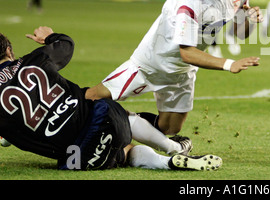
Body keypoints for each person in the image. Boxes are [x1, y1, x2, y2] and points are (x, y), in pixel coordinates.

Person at [86, 0, 262, 147]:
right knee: (92, 98)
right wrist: (228, 64)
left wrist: (248, 19)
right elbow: (186, 51)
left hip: (183, 70)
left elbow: (241, 35)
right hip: (152, 63)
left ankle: (121, 118)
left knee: (170, 128)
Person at [0, 27, 222, 171]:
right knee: (111, 110)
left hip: (76, 158)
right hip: (103, 119)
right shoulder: (33, 60)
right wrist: (49, 37)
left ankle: (165, 163)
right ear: (9, 51)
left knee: (122, 154)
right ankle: (173, 148)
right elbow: (66, 44)